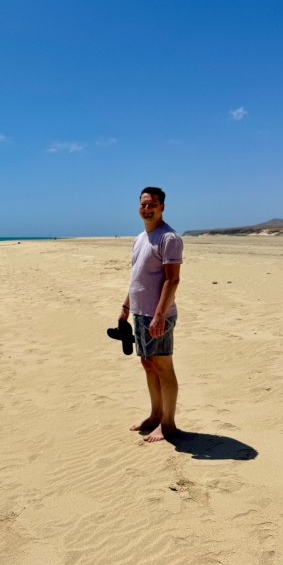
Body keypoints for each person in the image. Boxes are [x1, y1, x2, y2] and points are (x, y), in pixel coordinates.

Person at [119, 187, 183, 442]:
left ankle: (168, 424)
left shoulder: (169, 238)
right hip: (140, 313)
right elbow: (138, 277)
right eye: (143, 204)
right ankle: (155, 414)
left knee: (163, 367)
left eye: (152, 204)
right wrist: (126, 308)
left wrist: (159, 315)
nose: (147, 209)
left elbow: (172, 280)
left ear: (162, 207)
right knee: (148, 364)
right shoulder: (140, 238)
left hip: (158, 315)